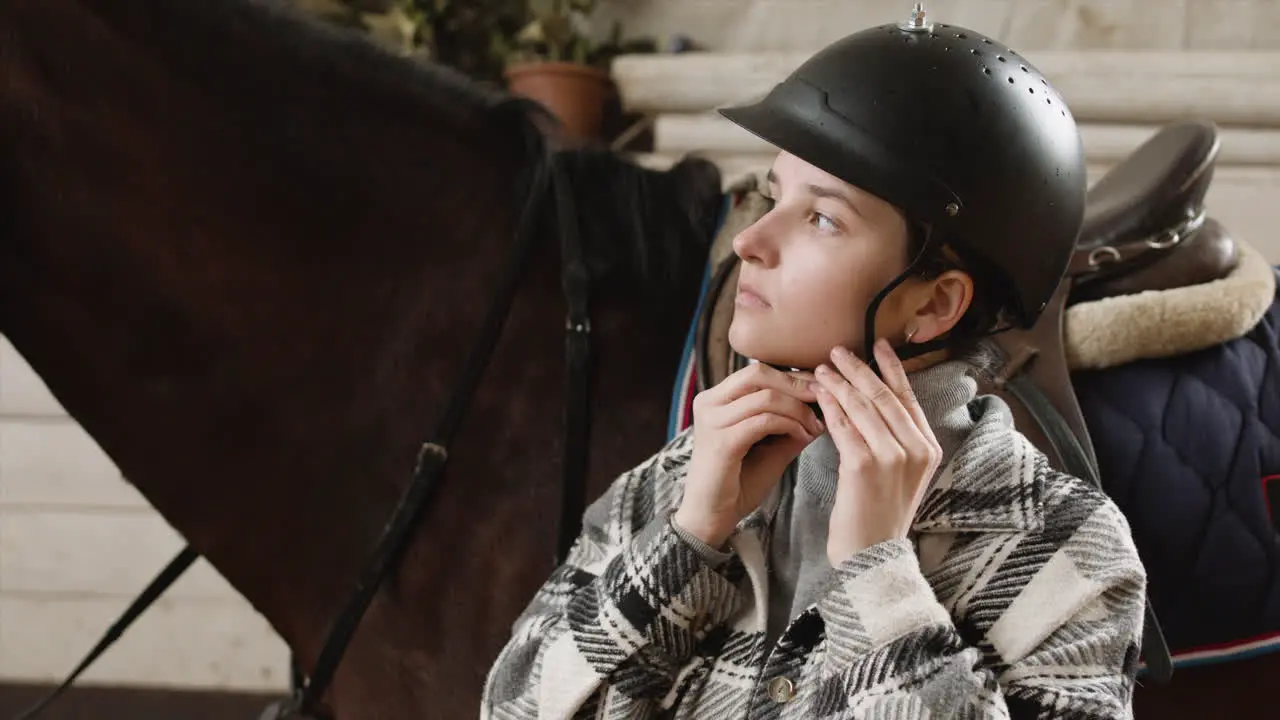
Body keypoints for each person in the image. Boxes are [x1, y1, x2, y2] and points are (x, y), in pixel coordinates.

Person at [481, 8, 1147, 719]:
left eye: (822, 218)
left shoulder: (1066, 549)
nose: (750, 243)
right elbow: (507, 709)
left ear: (934, 304)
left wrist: (877, 576)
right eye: (772, 196)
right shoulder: (674, 482)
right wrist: (685, 540)